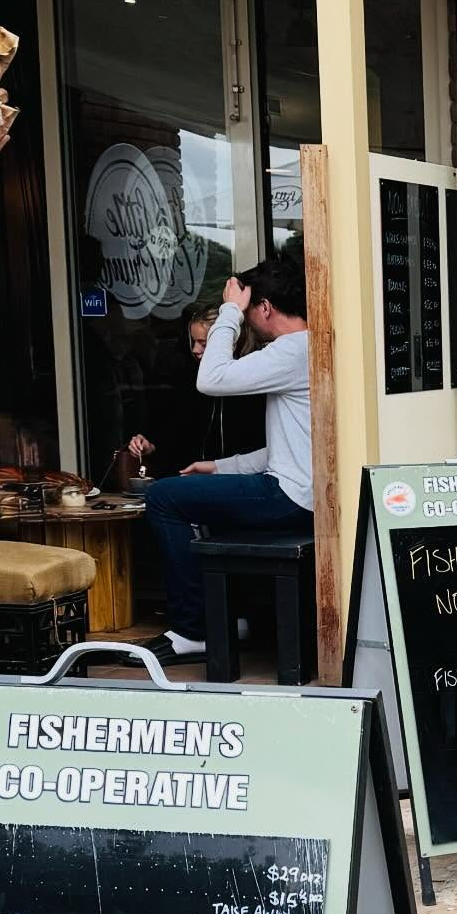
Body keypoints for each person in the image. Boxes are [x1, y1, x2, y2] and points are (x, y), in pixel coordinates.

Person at [140, 252, 312, 664]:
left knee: (163, 497)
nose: (245, 319)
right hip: (301, 491)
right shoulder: (310, 347)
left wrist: (230, 311)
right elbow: (294, 446)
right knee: (203, 501)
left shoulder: (291, 350)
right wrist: (221, 467)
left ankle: (195, 630)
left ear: (264, 307)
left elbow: (211, 378)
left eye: (248, 310)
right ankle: (234, 619)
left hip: (289, 496)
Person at [126, 303, 266, 476]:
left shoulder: (256, 383)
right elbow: (175, 432)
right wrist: (151, 446)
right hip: (191, 476)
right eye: (193, 342)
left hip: (241, 479)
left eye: (204, 344)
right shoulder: (188, 380)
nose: (195, 350)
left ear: (231, 343)